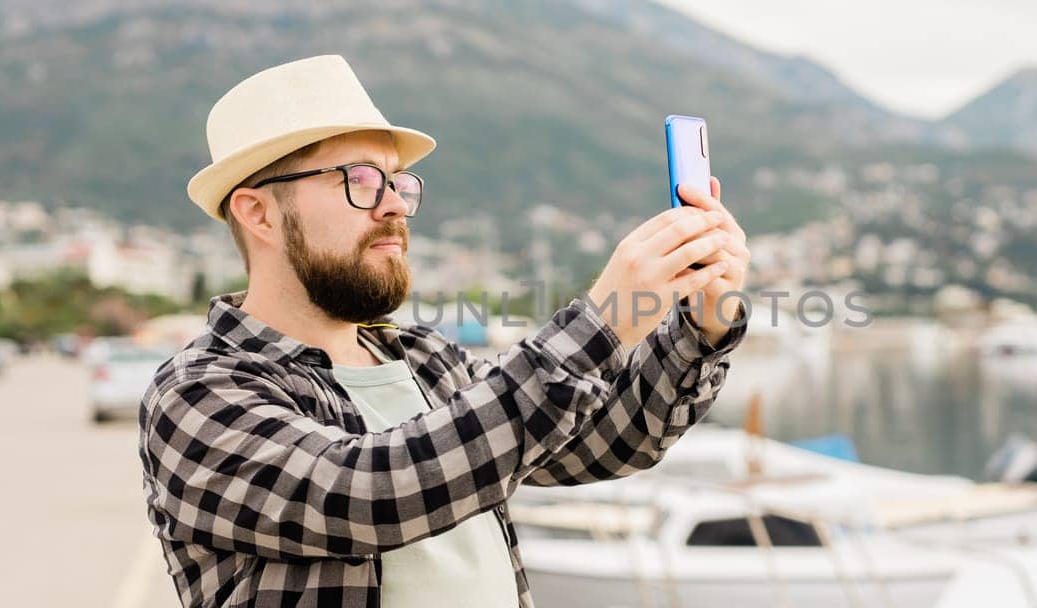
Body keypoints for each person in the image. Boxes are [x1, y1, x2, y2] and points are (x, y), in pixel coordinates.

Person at [139, 55, 750, 607]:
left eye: (397, 182)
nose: (394, 206)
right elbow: (370, 493)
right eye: (359, 180)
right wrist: (603, 323)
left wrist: (705, 319)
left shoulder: (427, 360)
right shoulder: (199, 393)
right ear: (257, 211)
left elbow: (608, 443)